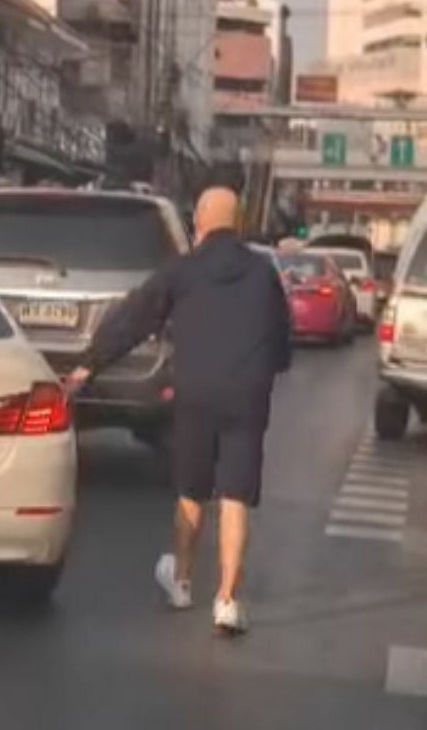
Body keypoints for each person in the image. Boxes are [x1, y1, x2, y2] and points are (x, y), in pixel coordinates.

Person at [65, 187, 291, 635]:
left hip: (195, 393)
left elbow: (133, 319)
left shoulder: (182, 272)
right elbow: (283, 340)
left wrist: (87, 366)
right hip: (247, 395)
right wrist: (267, 368)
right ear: (240, 224)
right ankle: (226, 599)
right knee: (235, 497)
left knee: (191, 490)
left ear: (198, 226)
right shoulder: (264, 273)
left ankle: (182, 582)